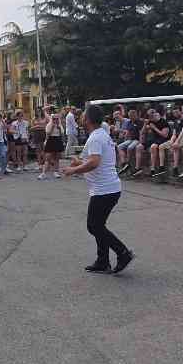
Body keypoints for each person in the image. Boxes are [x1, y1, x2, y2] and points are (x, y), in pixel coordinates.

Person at [61, 104, 133, 275]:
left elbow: (94, 163)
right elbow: (95, 161)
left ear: (88, 119)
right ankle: (102, 261)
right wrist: (78, 162)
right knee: (99, 225)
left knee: (94, 226)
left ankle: (123, 253)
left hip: (104, 190)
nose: (81, 117)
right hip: (108, 188)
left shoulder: (95, 138)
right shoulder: (101, 135)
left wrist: (73, 170)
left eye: (83, 115)